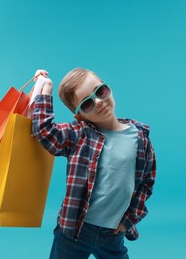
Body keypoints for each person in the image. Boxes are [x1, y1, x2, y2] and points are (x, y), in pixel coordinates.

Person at [31, 68, 156, 259]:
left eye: (100, 91)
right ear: (80, 116)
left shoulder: (140, 137)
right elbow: (45, 132)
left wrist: (130, 219)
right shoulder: (79, 135)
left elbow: (147, 182)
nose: (98, 101)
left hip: (112, 234)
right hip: (74, 231)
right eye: (87, 104)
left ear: (108, 88)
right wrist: (45, 89)